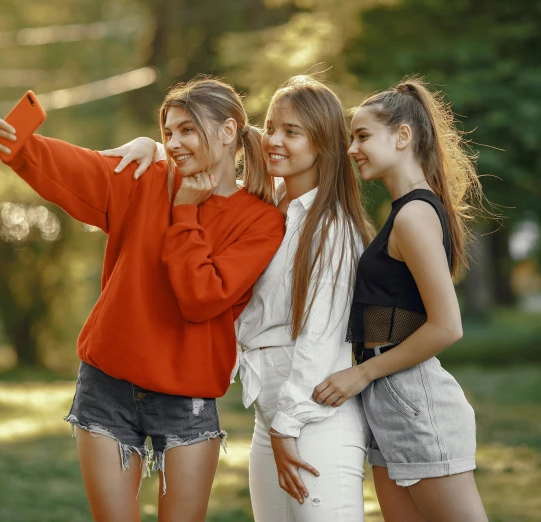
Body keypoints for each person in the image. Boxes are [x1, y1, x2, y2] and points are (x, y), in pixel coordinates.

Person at [0, 77, 285, 522]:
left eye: (187, 130)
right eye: (168, 132)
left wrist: (184, 212)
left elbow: (201, 297)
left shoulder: (261, 221)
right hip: (107, 385)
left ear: (228, 131)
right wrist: (20, 147)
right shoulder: (147, 178)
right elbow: (85, 170)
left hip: (186, 398)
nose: (174, 143)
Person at [108, 76, 376, 521]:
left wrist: (287, 429)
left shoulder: (331, 227)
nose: (274, 141)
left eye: (293, 132)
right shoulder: (270, 210)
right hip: (270, 419)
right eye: (271, 127)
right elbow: (205, 159)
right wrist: (154, 148)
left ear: (324, 144)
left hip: (313, 420)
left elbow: (321, 337)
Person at [312, 77, 489, 522]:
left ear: (402, 136)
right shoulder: (406, 212)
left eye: (363, 136)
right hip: (388, 400)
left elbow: (447, 325)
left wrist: (361, 374)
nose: (352, 149)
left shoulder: (413, 215)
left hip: (410, 396)